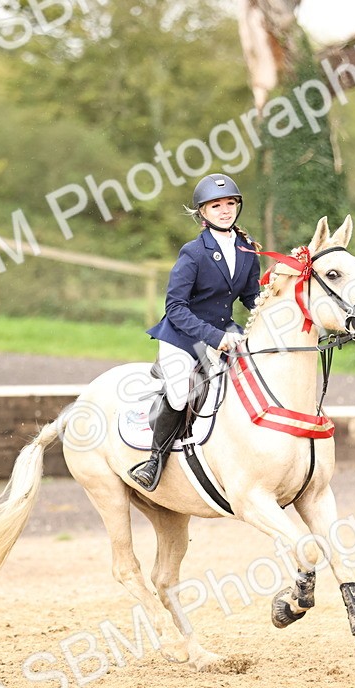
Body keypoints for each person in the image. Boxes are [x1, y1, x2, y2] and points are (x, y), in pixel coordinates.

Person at [129, 173, 261, 491]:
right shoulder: (194, 252)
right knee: (179, 393)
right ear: (203, 212)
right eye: (217, 205)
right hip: (183, 337)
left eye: (230, 203)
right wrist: (216, 338)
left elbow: (252, 297)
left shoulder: (247, 249)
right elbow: (175, 307)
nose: (225, 210)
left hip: (226, 331)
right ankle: (154, 461)